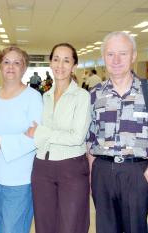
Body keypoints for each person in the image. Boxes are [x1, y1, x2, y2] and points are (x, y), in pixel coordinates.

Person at [87, 31, 148, 233]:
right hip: (102, 173)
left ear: (133, 56)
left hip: (137, 173)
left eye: (123, 53)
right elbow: (89, 141)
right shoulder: (95, 94)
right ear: (104, 58)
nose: (116, 60)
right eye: (110, 54)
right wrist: (93, 177)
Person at [26, 43, 91, 233]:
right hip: (42, 168)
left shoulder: (82, 96)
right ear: (50, 62)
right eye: (56, 59)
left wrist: (41, 132)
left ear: (74, 66)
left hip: (71, 167)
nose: (60, 65)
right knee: (44, 225)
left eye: (66, 60)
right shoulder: (44, 97)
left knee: (71, 225)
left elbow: (77, 137)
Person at [0, 46, 43, 233]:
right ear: (0, 66)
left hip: (19, 179)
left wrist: (2, 141)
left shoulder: (33, 97)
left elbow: (37, 137)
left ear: (24, 68)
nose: (11, 67)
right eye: (6, 62)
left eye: (17, 62)